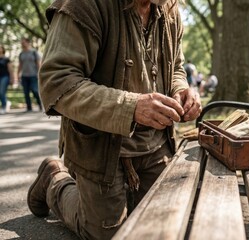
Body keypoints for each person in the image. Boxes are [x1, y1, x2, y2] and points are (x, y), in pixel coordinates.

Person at [27, 0, 201, 239]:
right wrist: (131, 107)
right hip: (100, 149)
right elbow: (57, 82)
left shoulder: (169, 10)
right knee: (108, 234)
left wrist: (180, 89)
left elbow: (176, 68)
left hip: (156, 145)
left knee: (168, 228)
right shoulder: (84, 5)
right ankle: (54, 179)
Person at [17, 38, 43, 112]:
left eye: (23, 42)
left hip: (33, 75)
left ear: (28, 43)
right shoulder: (21, 54)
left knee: (34, 90)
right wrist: (18, 74)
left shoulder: (34, 52)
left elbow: (38, 63)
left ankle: (40, 103)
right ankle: (29, 107)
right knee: (26, 92)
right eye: (21, 43)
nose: (22, 44)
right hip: (24, 75)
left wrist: (39, 73)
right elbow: (20, 65)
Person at [0, 45, 13, 114]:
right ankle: (7, 102)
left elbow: (10, 69)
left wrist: (12, 78)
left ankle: (4, 106)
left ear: (2, 49)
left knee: (2, 92)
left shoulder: (6, 59)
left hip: (5, 77)